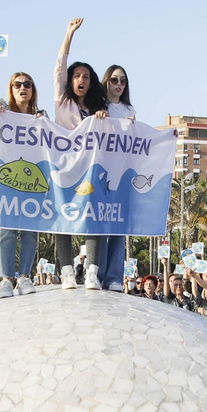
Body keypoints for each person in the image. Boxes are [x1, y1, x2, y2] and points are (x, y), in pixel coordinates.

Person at [50, 18, 107, 287]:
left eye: (86, 76)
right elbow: (60, 65)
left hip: (89, 170)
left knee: (92, 216)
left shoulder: (98, 110)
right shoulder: (62, 102)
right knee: (63, 218)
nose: (81, 80)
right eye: (76, 76)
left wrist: (101, 118)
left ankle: (92, 270)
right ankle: (67, 271)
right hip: (63, 168)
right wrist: (69, 33)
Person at [0, 61, 45, 298]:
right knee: (8, 230)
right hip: (7, 183)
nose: (22, 88)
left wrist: (42, 122)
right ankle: (6, 279)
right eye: (17, 84)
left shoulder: (41, 115)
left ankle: (25, 277)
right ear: (11, 89)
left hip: (32, 183)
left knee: (30, 229)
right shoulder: (3, 111)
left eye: (27, 84)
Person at [95, 63, 135, 291]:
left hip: (123, 174)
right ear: (106, 82)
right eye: (114, 80)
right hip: (102, 172)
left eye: (123, 81)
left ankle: (114, 277)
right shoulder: (98, 107)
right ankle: (97, 273)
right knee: (101, 225)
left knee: (119, 227)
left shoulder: (130, 111)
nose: (119, 85)